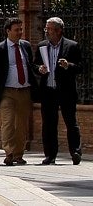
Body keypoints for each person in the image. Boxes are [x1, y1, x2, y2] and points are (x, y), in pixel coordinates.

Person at [0, 17, 36, 165]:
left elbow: (30, 65)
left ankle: (18, 154)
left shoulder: (26, 46)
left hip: (24, 91)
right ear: (8, 31)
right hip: (7, 92)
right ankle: (9, 153)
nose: (19, 32)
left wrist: (39, 69)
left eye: (20, 29)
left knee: (21, 124)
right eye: (16, 30)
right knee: (8, 123)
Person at [36, 16, 83, 165]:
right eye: (46, 28)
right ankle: (50, 155)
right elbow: (35, 64)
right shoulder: (42, 46)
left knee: (71, 122)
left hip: (66, 91)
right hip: (48, 90)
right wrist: (39, 69)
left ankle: (75, 152)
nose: (46, 32)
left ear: (59, 30)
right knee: (49, 124)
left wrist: (68, 65)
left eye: (49, 29)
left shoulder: (72, 46)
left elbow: (81, 67)